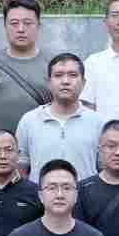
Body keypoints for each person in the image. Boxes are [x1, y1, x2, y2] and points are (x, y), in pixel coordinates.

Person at [17, 52, 105, 182]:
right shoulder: (29, 121)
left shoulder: (98, 122)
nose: (65, 81)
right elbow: (20, 166)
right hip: (40, 194)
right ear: (48, 82)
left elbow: (105, 168)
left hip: (86, 194)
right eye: (58, 75)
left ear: (83, 83)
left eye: (73, 75)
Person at [0, 0, 52, 134]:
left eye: (27, 23)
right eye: (14, 23)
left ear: (39, 26)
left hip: (42, 142)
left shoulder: (53, 64)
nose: (21, 29)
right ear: (5, 27)